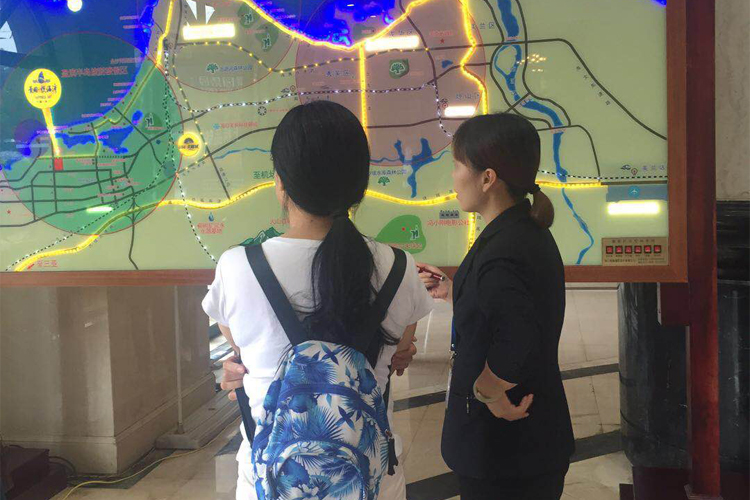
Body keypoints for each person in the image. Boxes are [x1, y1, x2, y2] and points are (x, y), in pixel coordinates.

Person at [203, 100, 434, 500]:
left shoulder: (238, 266)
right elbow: (402, 349)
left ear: (280, 183)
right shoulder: (399, 267)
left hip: (270, 484)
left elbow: (238, 348)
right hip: (372, 482)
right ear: (360, 185)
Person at [418, 113, 574, 499]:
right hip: (530, 445)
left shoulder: (503, 251)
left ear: (487, 178)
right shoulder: (521, 230)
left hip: (506, 451)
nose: (453, 176)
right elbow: (512, 308)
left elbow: (518, 338)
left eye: (458, 165)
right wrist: (456, 292)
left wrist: (490, 392)